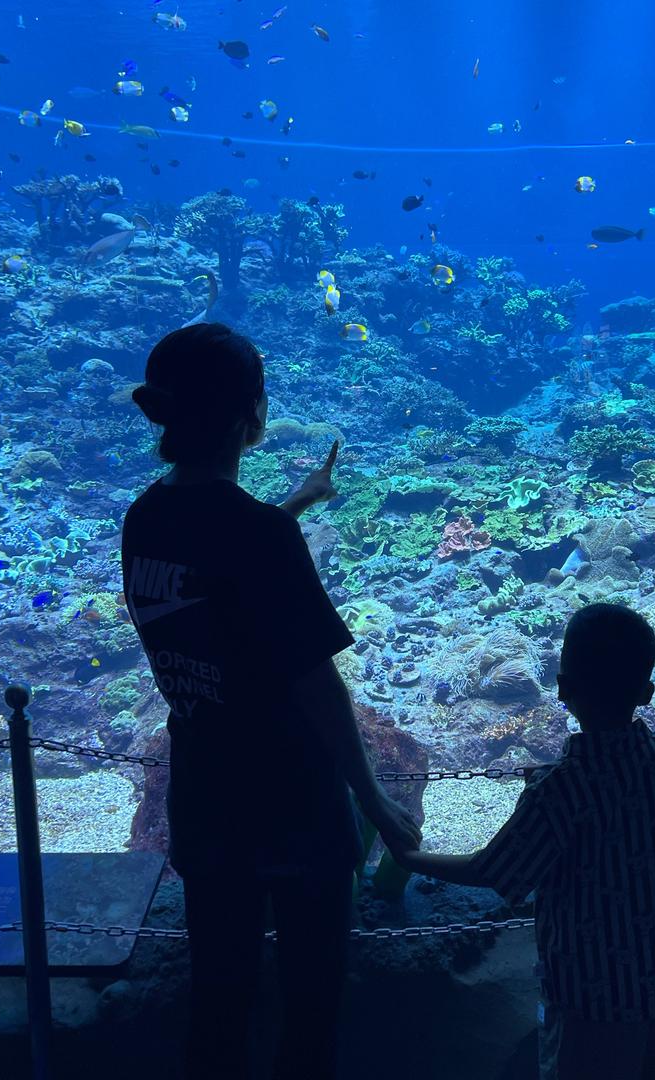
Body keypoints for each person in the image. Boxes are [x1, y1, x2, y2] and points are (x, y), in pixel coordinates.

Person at [120, 323, 421, 1080]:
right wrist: (377, 804)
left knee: (218, 1007)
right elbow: (315, 684)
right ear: (251, 413)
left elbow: (214, 574)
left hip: (204, 796)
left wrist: (297, 502)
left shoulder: (145, 518)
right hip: (292, 806)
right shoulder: (259, 535)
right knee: (311, 1014)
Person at [394, 602, 655, 1080]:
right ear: (647, 691)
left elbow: (493, 870)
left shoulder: (560, 790)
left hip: (590, 1000)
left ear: (562, 688)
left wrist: (409, 857)